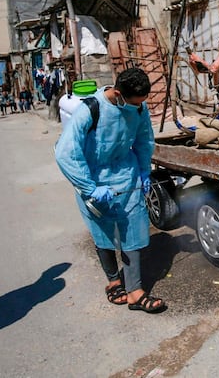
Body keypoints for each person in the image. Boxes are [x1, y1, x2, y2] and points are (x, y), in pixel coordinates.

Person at [54, 68, 166, 313]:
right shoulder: (90, 109)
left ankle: (135, 292)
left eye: (142, 103)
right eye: (133, 103)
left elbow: (144, 138)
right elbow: (66, 152)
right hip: (95, 178)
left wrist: (144, 170)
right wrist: (89, 187)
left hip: (127, 175)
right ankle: (114, 282)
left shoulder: (138, 107)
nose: (137, 108)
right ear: (118, 94)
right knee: (103, 231)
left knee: (134, 230)